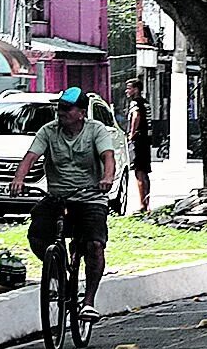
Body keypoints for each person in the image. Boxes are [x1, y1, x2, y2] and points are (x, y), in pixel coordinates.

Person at [11, 87, 120, 319]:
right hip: (58, 197)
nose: (61, 113)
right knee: (37, 235)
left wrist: (107, 177)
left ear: (81, 112)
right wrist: (18, 179)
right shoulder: (48, 132)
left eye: (67, 109)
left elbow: (108, 157)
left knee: (94, 245)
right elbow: (30, 157)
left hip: (91, 197)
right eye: (59, 108)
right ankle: (58, 272)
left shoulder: (96, 130)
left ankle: (88, 301)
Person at [124, 81, 154, 214]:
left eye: (129, 88)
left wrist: (132, 133)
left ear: (136, 89)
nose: (127, 91)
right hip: (146, 140)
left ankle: (142, 205)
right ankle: (147, 203)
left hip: (138, 140)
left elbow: (136, 116)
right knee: (145, 172)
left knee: (139, 172)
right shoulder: (146, 102)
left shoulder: (135, 103)